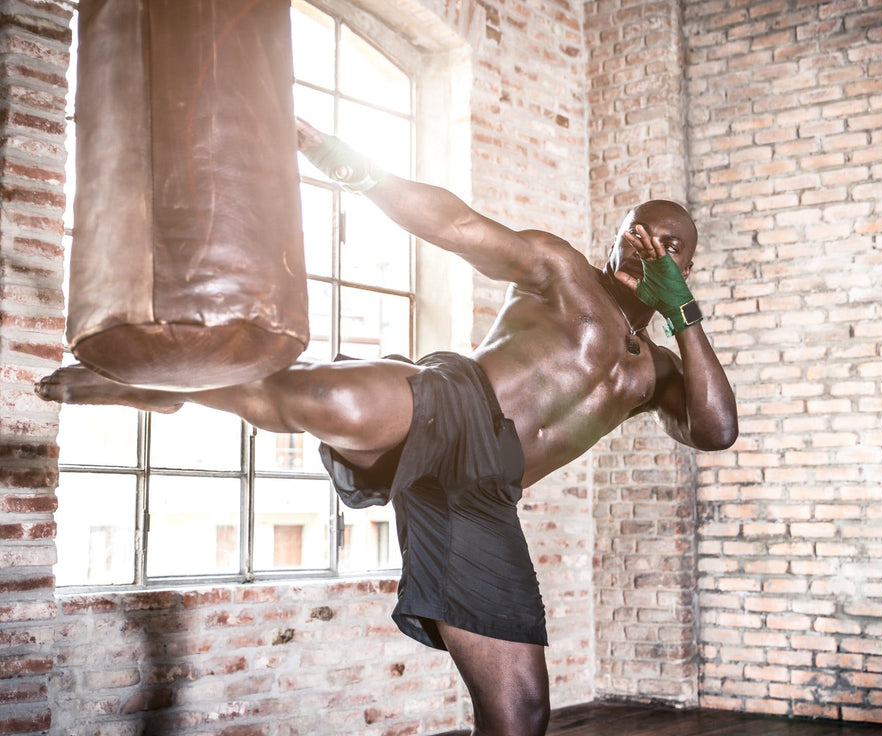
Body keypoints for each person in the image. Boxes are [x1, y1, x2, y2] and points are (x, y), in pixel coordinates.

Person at [37, 121, 738, 736]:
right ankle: (173, 389)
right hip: (458, 401)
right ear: (615, 243)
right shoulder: (563, 273)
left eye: (671, 247)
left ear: (687, 267)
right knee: (331, 399)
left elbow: (715, 431)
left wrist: (684, 314)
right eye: (640, 235)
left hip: (484, 493)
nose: (653, 250)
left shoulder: (661, 374)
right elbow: (459, 226)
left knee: (522, 713)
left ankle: (191, 391)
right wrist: (353, 166)